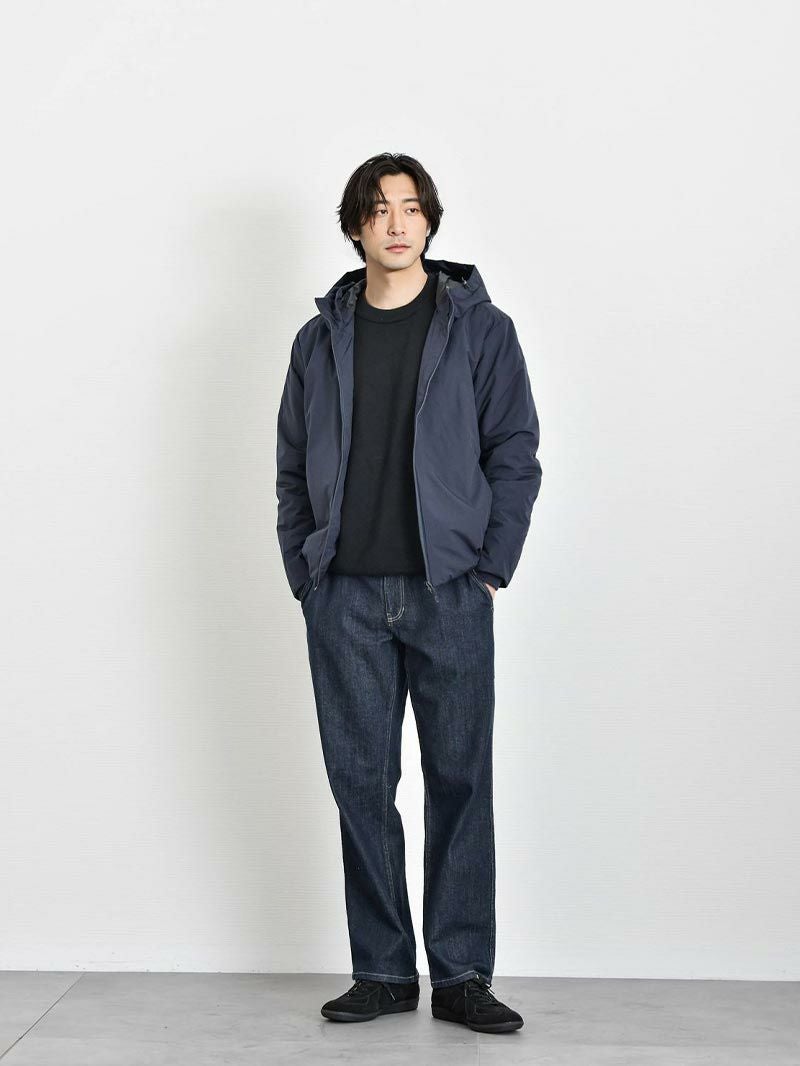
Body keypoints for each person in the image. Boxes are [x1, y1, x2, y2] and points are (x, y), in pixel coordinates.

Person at [276, 152, 542, 1034]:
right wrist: (305, 570)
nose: (397, 223)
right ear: (355, 226)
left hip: (448, 589)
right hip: (345, 595)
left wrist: (491, 564)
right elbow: (290, 464)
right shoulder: (319, 340)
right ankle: (384, 972)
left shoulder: (481, 329)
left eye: (412, 207)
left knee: (460, 780)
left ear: (429, 221)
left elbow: (515, 450)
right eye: (380, 208)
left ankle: (462, 974)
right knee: (361, 785)